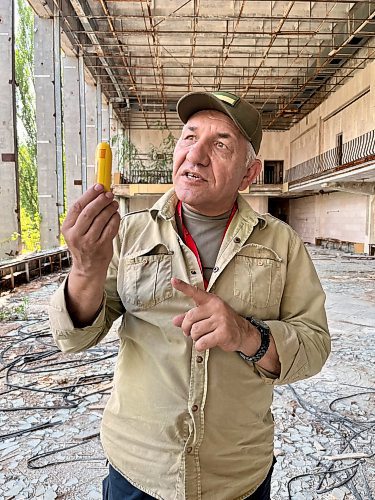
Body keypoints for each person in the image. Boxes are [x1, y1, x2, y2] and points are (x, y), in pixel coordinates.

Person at [49, 91, 330, 500]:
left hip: (236, 476)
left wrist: (247, 335)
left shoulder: (281, 245)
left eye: (220, 144)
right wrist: (86, 268)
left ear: (249, 174)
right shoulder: (129, 234)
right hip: (139, 471)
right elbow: (73, 337)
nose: (195, 155)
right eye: (189, 137)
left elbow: (315, 344)